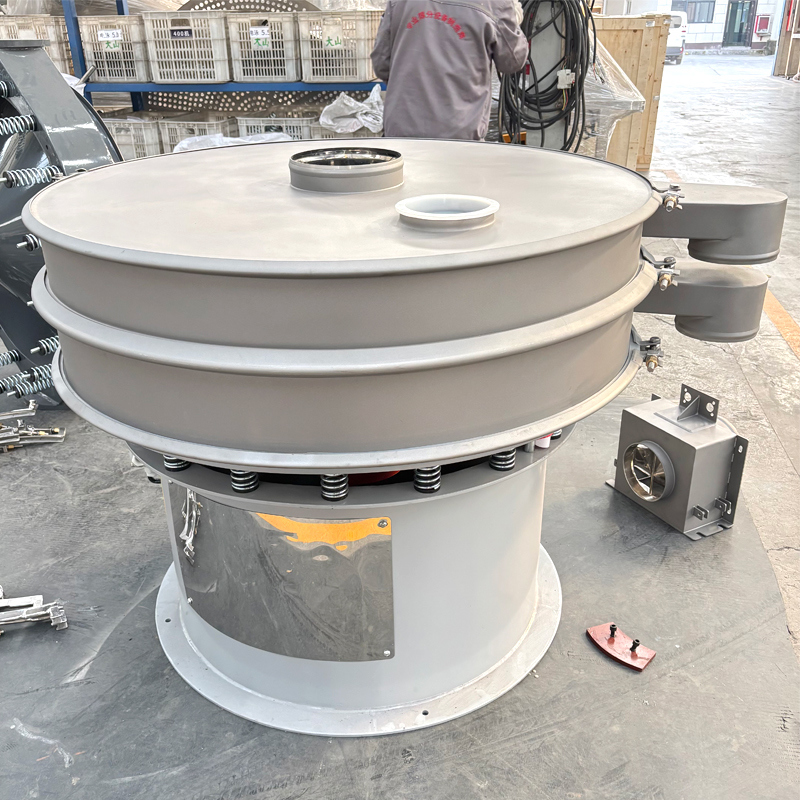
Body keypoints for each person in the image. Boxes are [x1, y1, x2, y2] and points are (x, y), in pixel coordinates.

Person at [371, 1, 528, 141]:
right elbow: (513, 61)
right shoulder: (495, 4)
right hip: (460, 135)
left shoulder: (397, 3)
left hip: (402, 132)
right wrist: (512, 19)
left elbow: (381, 64)